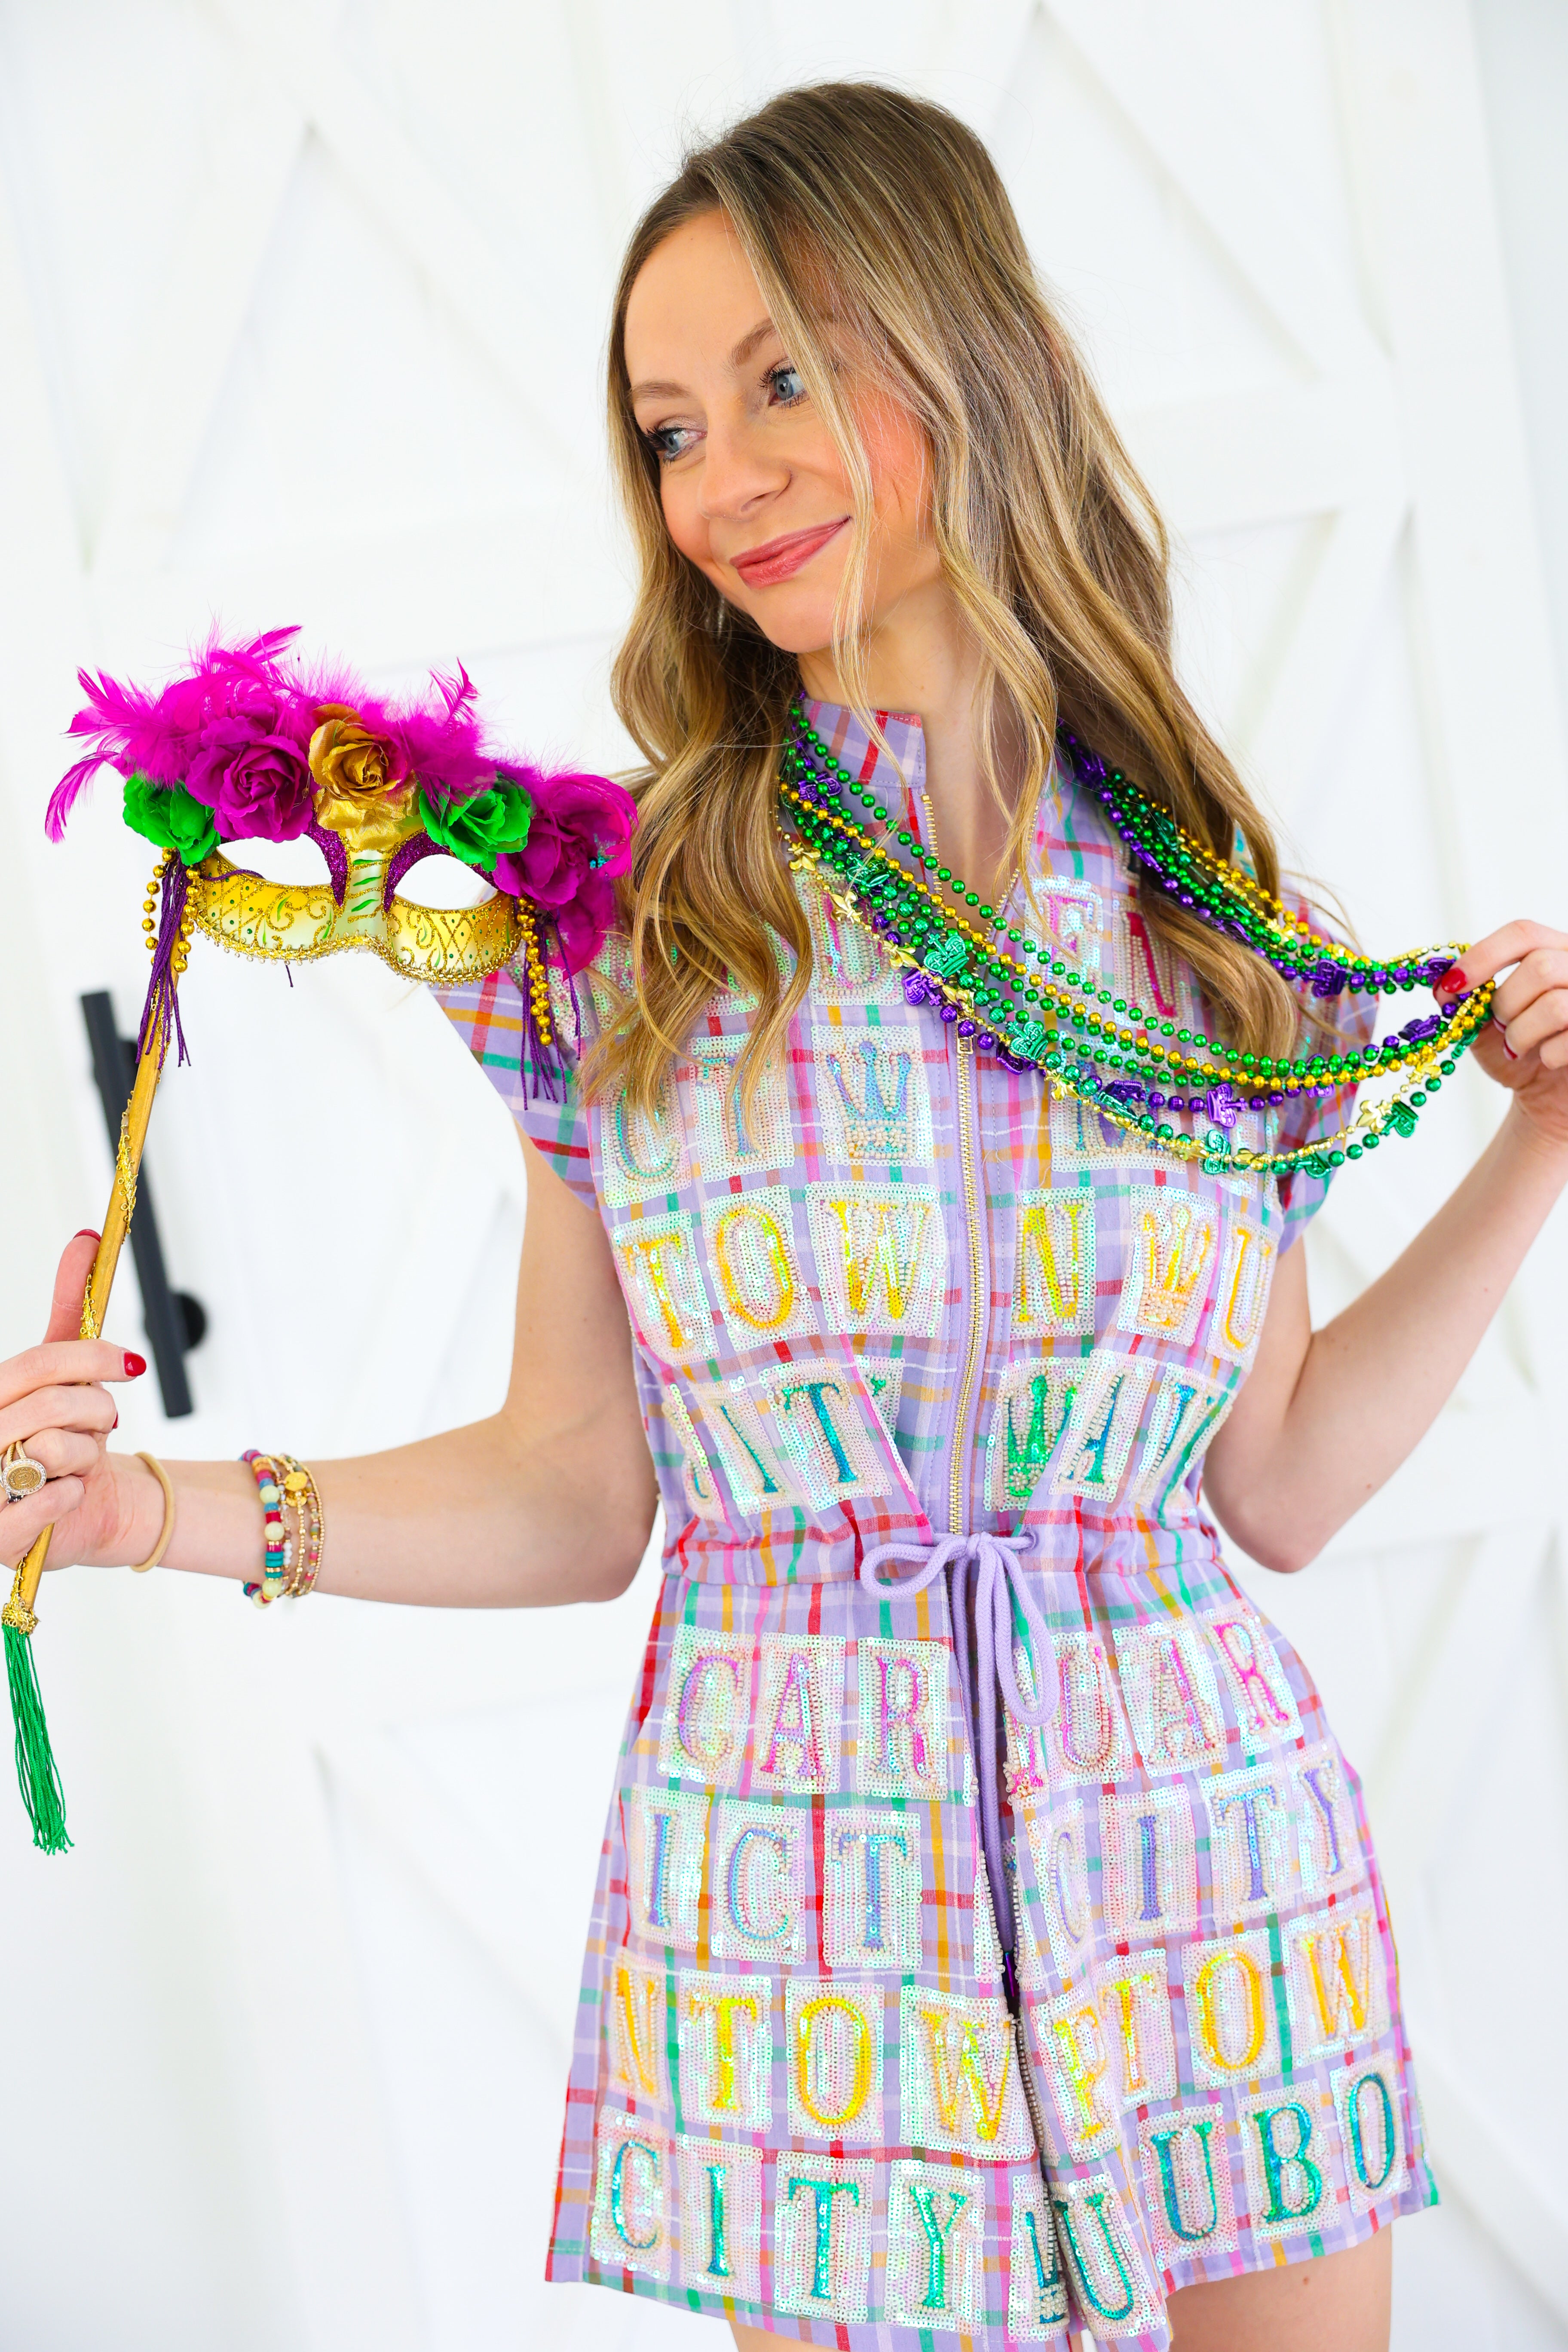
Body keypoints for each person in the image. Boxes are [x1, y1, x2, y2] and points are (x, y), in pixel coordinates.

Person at [4, 81, 1565, 2352]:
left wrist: (1542, 1146)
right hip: (805, 1904)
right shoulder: (628, 931)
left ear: (968, 352)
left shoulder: (1202, 920)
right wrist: (148, 1513)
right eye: (668, 429)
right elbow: (574, 1492)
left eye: (783, 379)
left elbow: (1283, 1480)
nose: (722, 478)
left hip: (1208, 1866)